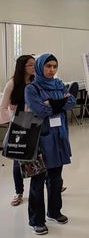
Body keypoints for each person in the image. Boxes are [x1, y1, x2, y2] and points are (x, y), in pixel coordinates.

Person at [25, 53, 76, 235]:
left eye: (54, 66)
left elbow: (71, 102)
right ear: (40, 67)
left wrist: (53, 102)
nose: (51, 70)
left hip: (59, 138)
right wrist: (59, 103)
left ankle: (54, 211)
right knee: (38, 182)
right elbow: (40, 109)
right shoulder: (32, 89)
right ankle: (36, 220)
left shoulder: (59, 84)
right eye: (48, 66)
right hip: (41, 139)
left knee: (56, 179)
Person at [0, 55, 35, 206]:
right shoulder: (13, 83)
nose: (34, 67)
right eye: (30, 65)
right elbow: (3, 105)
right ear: (22, 67)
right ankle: (19, 192)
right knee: (17, 160)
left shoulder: (36, 81)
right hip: (19, 124)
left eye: (35, 64)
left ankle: (51, 184)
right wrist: (13, 120)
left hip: (35, 122)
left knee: (40, 155)